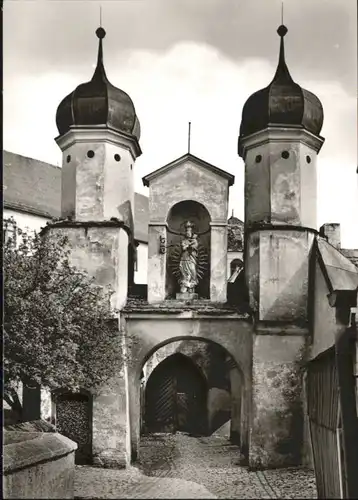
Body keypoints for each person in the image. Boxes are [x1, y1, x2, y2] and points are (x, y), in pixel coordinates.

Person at [179, 221, 199, 293]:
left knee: (192, 271)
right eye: (187, 231)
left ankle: (192, 285)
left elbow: (194, 248)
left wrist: (190, 245)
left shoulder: (195, 241)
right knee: (184, 272)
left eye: (189, 231)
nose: (188, 233)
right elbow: (183, 248)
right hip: (184, 258)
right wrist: (188, 245)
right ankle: (185, 285)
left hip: (191, 259)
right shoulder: (184, 241)